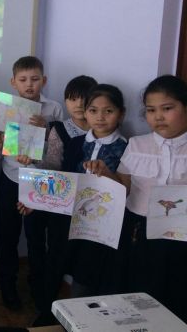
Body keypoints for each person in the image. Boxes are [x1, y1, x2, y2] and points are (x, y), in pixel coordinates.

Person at [16, 75, 97, 326]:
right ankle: (47, 309)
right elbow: (50, 168)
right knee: (56, 256)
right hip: (61, 209)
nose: (78, 105)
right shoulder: (59, 129)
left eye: (85, 99)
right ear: (65, 101)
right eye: (72, 99)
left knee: (85, 261)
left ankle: (83, 315)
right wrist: (33, 198)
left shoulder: (102, 132)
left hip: (92, 211)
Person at [115, 75, 187, 322]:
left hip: (182, 235)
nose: (158, 117)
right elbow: (123, 188)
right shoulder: (137, 145)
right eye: (151, 110)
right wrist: (103, 175)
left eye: (167, 108)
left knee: (177, 293)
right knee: (140, 295)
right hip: (139, 232)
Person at [0, 56, 63, 310]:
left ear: (43, 80)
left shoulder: (54, 108)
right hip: (11, 177)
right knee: (8, 235)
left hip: (39, 180)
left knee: (36, 238)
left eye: (35, 79)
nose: (29, 85)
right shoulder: (4, 109)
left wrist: (48, 128)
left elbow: (59, 149)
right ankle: (7, 285)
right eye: (23, 80)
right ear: (13, 82)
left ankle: (38, 287)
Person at [63, 83, 127, 297]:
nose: (100, 117)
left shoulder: (126, 147)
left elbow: (125, 190)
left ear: (121, 113)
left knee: (96, 273)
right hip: (75, 219)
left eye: (108, 111)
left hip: (105, 225)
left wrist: (106, 172)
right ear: (86, 113)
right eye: (93, 110)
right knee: (75, 267)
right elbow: (64, 179)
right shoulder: (76, 143)